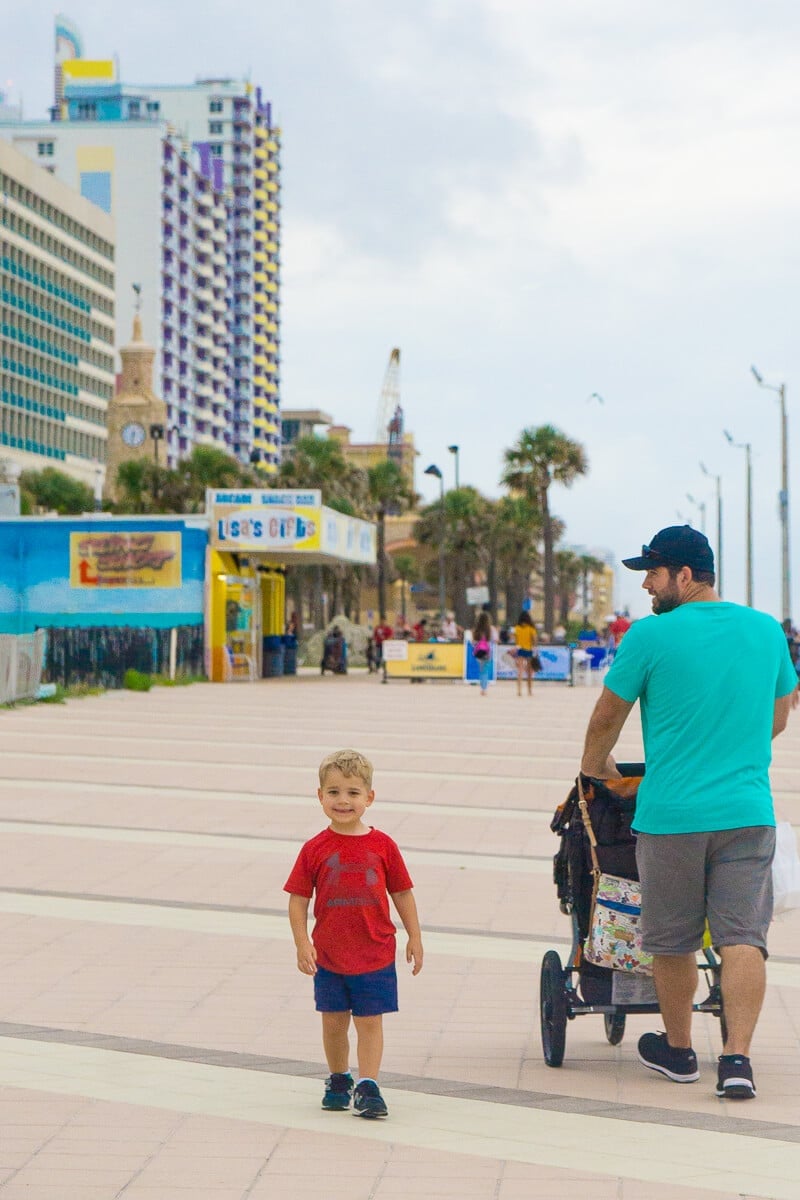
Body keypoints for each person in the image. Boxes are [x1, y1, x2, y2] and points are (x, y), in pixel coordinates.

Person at [580, 525, 797, 1100]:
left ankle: (678, 1052)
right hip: (749, 812)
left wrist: (596, 770)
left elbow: (608, 715)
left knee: (672, 940)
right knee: (743, 937)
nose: (647, 585)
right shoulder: (765, 630)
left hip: (672, 815)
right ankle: (736, 1061)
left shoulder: (650, 636)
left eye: (653, 573)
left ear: (684, 575)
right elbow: (778, 719)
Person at [284, 749, 423, 1119]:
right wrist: (303, 943)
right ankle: (339, 1078)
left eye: (352, 793)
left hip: (375, 952)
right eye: (333, 792)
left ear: (369, 798)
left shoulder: (383, 846)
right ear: (320, 796)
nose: (343, 801)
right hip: (328, 955)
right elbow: (297, 900)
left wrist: (415, 936)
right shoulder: (314, 848)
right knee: (333, 1022)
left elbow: (402, 893)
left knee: (369, 1021)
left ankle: (369, 1085)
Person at [513, 609, 539, 697]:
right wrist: (534, 646)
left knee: (520, 671)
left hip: (520, 649)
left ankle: (519, 690)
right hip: (529, 650)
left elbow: (515, 639)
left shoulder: (517, 628)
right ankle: (529, 690)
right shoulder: (531, 628)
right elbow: (535, 639)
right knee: (529, 672)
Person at [472, 609, 495, 697]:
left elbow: (473, 641)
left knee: (481, 671)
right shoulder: (490, 629)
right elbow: (494, 640)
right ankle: (484, 688)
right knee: (485, 671)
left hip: (478, 652)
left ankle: (482, 687)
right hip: (487, 652)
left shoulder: (476, 630)